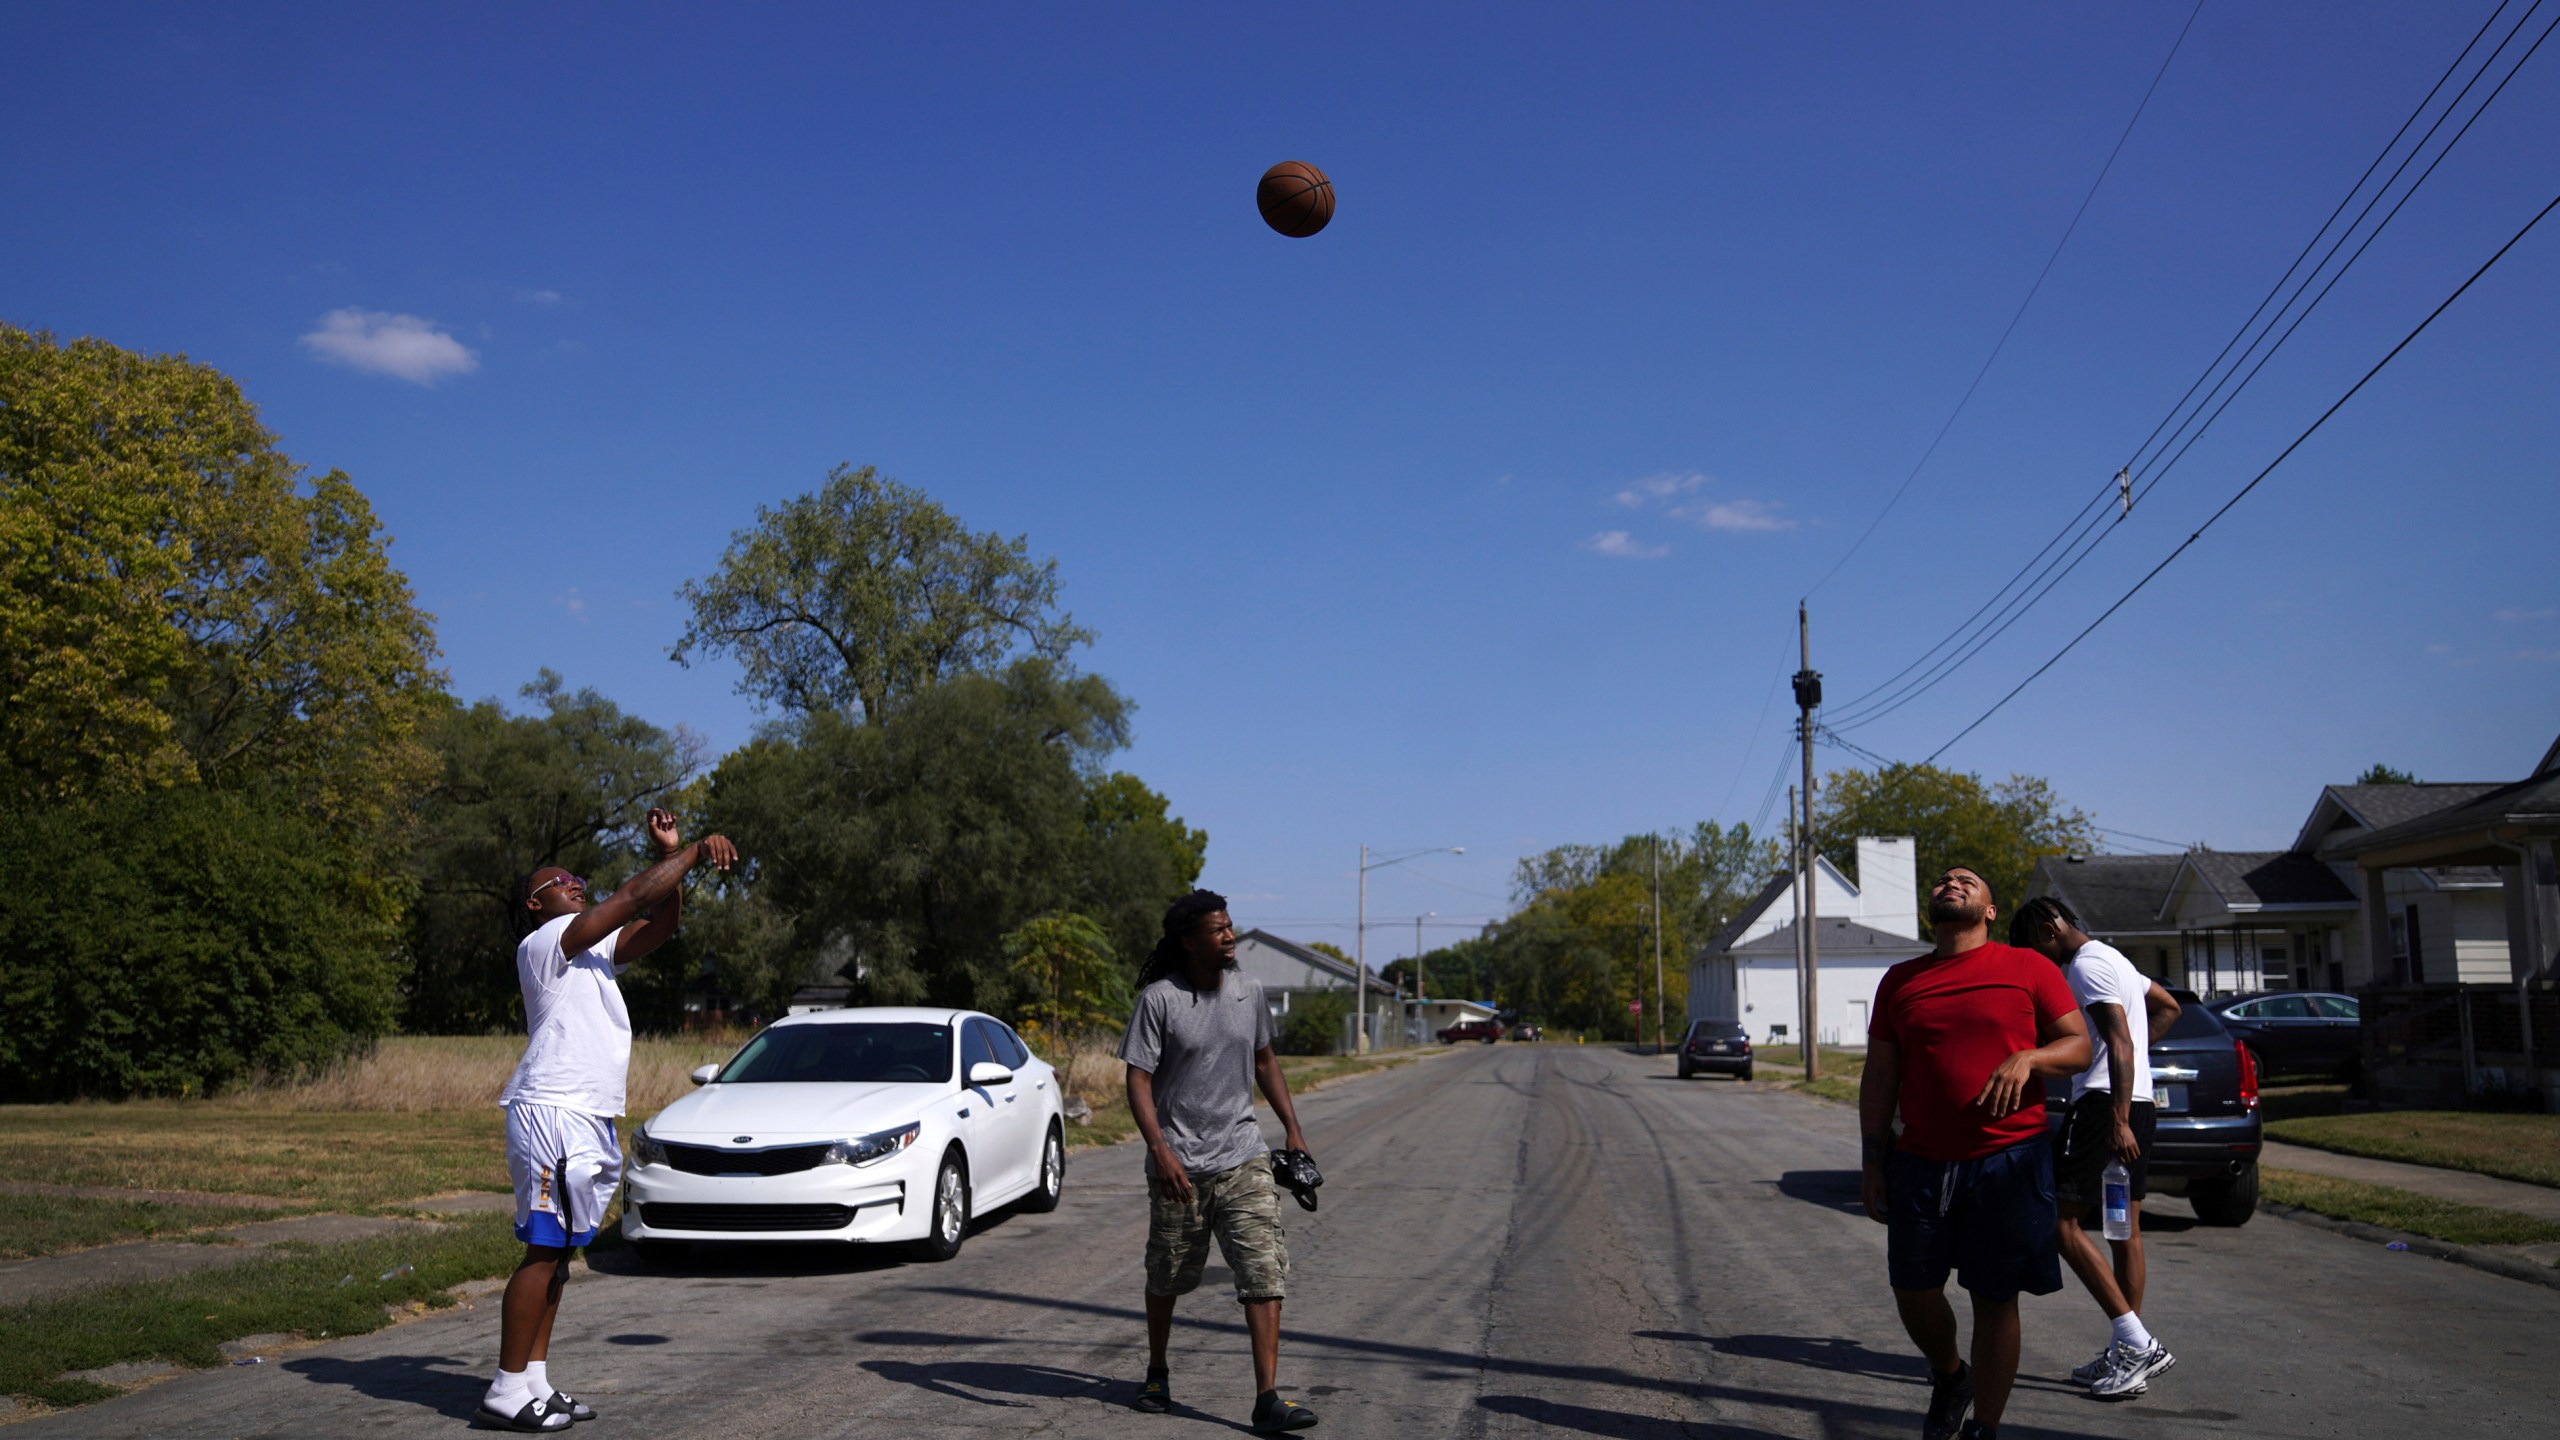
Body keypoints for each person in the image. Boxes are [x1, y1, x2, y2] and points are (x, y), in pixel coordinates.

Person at [479, 809, 738, 1433]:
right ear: (534, 906)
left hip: (585, 1114)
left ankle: (534, 1382)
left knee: (562, 1253)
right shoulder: (544, 945)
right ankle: (506, 1389)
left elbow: (660, 920)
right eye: (557, 880)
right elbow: (631, 896)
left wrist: (671, 860)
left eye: (575, 877)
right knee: (542, 1250)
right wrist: (695, 851)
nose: (574, 881)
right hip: (551, 1110)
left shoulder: (593, 951)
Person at [1860, 866, 2092, 1440]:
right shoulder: (1900, 980)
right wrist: (1872, 1161)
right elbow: (1881, 1073)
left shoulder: (2028, 967)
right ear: (1930, 908)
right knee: (1912, 1289)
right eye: (1943, 880)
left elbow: (2079, 1046)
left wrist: (2030, 1059)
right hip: (1919, 1159)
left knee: (1995, 1297)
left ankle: (1985, 1427)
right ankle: (1950, 1374)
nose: (1952, 883)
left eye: (1967, 880)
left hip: (2009, 1160)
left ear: (1990, 910)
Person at [1118, 890, 1320, 1434]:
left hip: (1242, 1154)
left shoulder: (1249, 991)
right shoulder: (1159, 1000)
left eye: (1230, 927)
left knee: (1263, 1269)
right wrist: (1160, 1149)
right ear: (1189, 941)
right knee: (1167, 1274)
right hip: (1179, 1163)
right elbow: (1137, 1079)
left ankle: (1268, 1397)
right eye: (1217, 930)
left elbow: (1264, 1060)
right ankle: (1157, 1370)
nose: (1229, 936)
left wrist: (1293, 1130)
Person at [2009, 896, 2184, 1400]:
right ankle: (2128, 1352)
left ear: (2048, 930)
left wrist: (2119, 1116)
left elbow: (2120, 1040)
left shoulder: (2085, 967)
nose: (2039, 965)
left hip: (2107, 1106)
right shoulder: (2116, 958)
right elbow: (2167, 1007)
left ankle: (2136, 1344)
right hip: (2138, 1100)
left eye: (2034, 952)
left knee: (2059, 1223)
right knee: (2123, 1228)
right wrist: (2134, 1085)